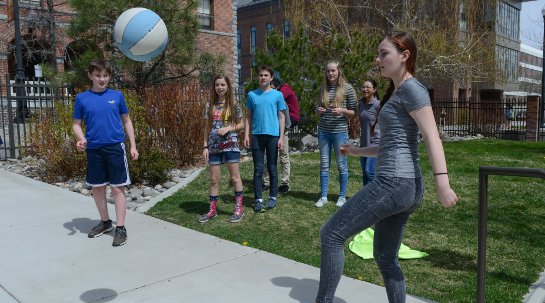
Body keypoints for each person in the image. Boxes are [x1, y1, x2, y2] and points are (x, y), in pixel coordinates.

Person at [314, 31, 458, 303]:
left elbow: (431, 135)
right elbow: (390, 146)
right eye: (378, 54)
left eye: (384, 54)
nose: (378, 59)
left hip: (395, 183)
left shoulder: (413, 89)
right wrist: (357, 150)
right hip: (406, 187)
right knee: (385, 257)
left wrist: (443, 182)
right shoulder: (398, 92)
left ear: (404, 56)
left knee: (331, 234)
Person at [72, 59, 139, 247]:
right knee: (97, 188)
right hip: (93, 149)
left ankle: (121, 228)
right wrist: (81, 138)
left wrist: (133, 146)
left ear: (109, 76)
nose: (102, 79)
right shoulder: (82, 98)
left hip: (115, 148)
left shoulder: (117, 96)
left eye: (105, 75)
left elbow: (127, 121)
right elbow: (76, 125)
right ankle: (106, 222)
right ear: (90, 76)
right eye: (98, 75)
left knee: (118, 188)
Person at [199, 75, 245, 223]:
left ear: (228, 87)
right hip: (213, 147)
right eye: (217, 85)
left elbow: (241, 124)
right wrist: (205, 145)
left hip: (230, 145)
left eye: (223, 85)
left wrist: (229, 128)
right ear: (214, 87)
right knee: (214, 179)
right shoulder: (210, 105)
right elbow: (207, 127)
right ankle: (212, 210)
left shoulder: (233, 104)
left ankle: (239, 209)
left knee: (235, 177)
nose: (220, 88)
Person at [315, 60, 357, 208]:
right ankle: (324, 196)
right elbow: (317, 109)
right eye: (328, 71)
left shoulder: (348, 88)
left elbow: (353, 112)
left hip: (340, 132)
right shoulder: (323, 88)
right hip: (324, 131)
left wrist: (342, 111)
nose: (330, 73)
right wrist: (319, 111)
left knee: (341, 164)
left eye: (333, 70)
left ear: (339, 71)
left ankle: (342, 196)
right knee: (324, 164)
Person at [244, 65, 286, 212]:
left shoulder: (277, 95)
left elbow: (281, 117)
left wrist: (281, 137)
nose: (263, 78)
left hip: (273, 136)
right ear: (258, 77)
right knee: (258, 169)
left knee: (272, 167)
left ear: (271, 78)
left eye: (266, 75)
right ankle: (258, 199)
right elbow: (248, 117)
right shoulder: (252, 95)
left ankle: (273, 197)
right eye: (261, 75)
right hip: (256, 136)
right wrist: (247, 135)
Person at [263, 71, 300, 194]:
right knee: (268, 155)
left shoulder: (284, 89)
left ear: (275, 83)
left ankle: (285, 183)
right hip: (274, 124)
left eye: (271, 84)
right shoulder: (277, 90)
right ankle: (266, 182)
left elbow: (275, 100)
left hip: (290, 119)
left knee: (283, 154)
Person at [358, 79, 381, 186]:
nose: (365, 89)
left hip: (375, 143)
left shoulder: (378, 105)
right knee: (365, 173)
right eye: (363, 87)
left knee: (370, 172)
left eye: (368, 87)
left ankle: (375, 198)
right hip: (364, 144)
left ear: (374, 89)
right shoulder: (361, 104)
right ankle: (365, 198)